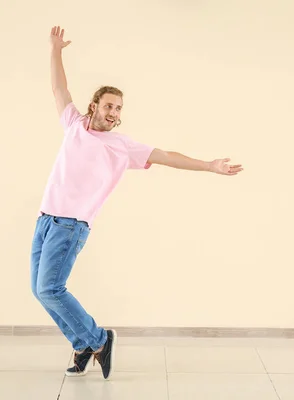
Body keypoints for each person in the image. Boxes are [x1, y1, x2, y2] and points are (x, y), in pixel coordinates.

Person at [31, 26, 244, 381]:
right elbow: (58, 88)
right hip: (45, 220)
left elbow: (165, 155)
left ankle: (99, 338)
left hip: (70, 225)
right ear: (95, 105)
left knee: (50, 289)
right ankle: (83, 343)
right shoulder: (74, 125)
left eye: (119, 108)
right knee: (40, 291)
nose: (114, 112)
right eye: (109, 105)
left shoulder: (121, 146)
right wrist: (56, 50)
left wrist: (210, 165)